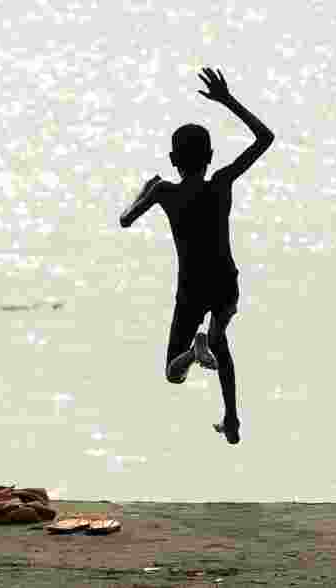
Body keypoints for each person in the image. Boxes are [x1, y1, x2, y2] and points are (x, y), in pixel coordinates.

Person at [120, 67, 275, 445]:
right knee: (221, 340)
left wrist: (144, 192)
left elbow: (125, 220)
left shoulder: (164, 192)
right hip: (224, 282)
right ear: (210, 156)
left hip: (190, 289)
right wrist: (227, 100)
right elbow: (265, 138)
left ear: (173, 158)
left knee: (174, 372)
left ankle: (192, 352)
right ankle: (232, 419)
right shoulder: (221, 183)